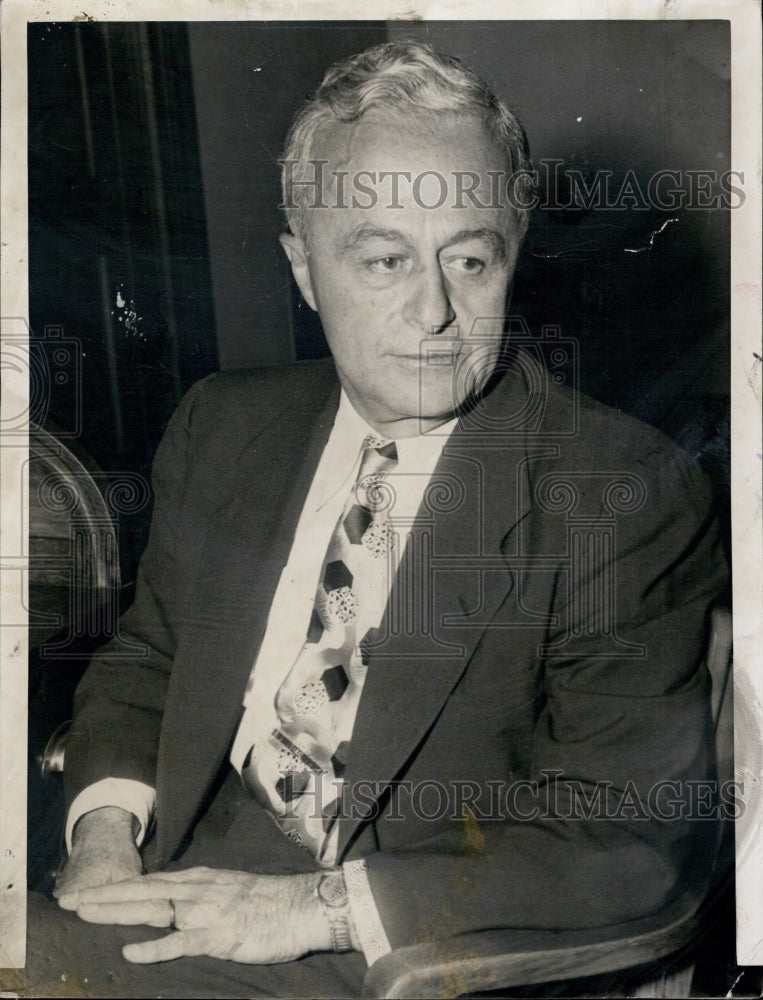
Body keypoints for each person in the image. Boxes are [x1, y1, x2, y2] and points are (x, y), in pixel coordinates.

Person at [8, 39, 727, 999]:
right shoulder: (225, 423)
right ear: (304, 271)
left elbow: (632, 838)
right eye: (383, 259)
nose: (433, 311)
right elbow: (149, 658)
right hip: (173, 866)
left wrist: (314, 909)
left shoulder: (623, 492)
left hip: (409, 947)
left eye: (469, 259)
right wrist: (103, 832)